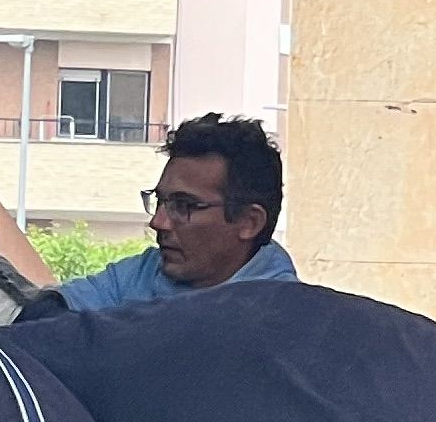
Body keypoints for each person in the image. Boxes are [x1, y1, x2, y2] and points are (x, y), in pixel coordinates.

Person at [58, 112, 299, 312]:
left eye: (184, 206)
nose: (158, 222)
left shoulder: (283, 319)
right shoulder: (143, 273)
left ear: (249, 222)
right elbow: (47, 315)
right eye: (160, 201)